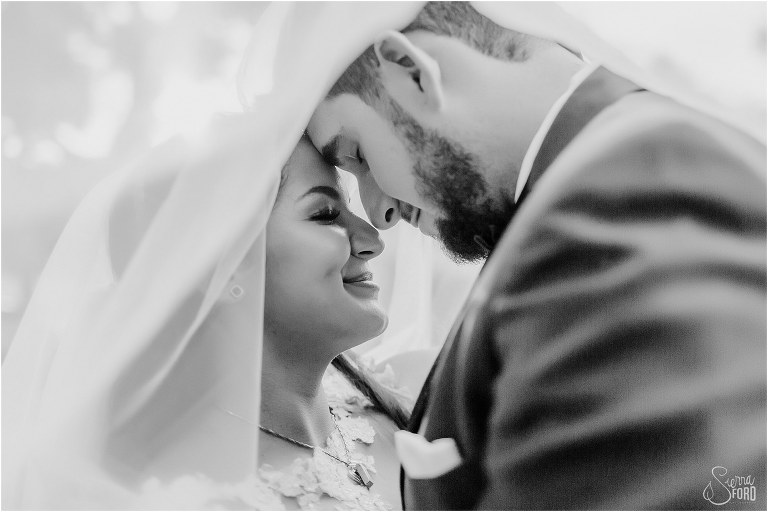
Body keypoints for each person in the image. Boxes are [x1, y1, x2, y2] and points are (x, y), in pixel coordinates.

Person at [306, 1, 767, 509]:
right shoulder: (586, 193)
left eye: (358, 156)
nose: (377, 213)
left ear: (411, 72)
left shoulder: (624, 191)